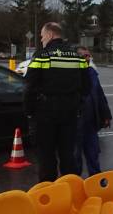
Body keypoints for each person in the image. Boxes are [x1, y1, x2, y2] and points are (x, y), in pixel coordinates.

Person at [24, 22, 91, 182]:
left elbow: (29, 87)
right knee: (68, 155)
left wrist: (29, 112)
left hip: (45, 114)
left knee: (47, 157)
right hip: (70, 113)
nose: (41, 40)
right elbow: (87, 87)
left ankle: (49, 195)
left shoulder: (42, 56)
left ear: (51, 35)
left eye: (42, 36)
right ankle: (71, 192)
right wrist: (76, 103)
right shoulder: (77, 57)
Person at [75, 47, 112, 176]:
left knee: (93, 152)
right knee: (75, 156)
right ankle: (75, 183)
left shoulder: (92, 73)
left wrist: (106, 115)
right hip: (76, 120)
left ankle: (96, 180)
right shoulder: (72, 73)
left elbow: (100, 95)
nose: (88, 58)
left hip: (90, 121)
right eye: (85, 56)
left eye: (89, 56)